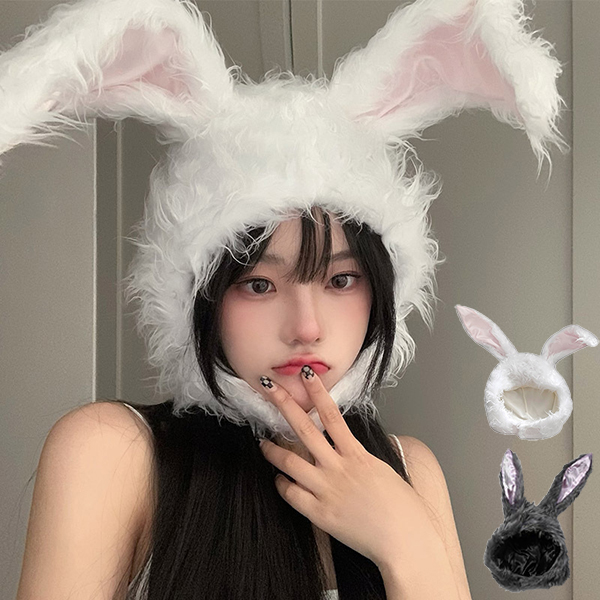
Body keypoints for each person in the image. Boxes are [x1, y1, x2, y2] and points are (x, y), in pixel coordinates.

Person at [3, 0, 565, 597]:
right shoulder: (113, 454)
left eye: (341, 281)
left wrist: (409, 546)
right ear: (199, 298)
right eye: (259, 284)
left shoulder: (409, 470)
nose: (306, 327)